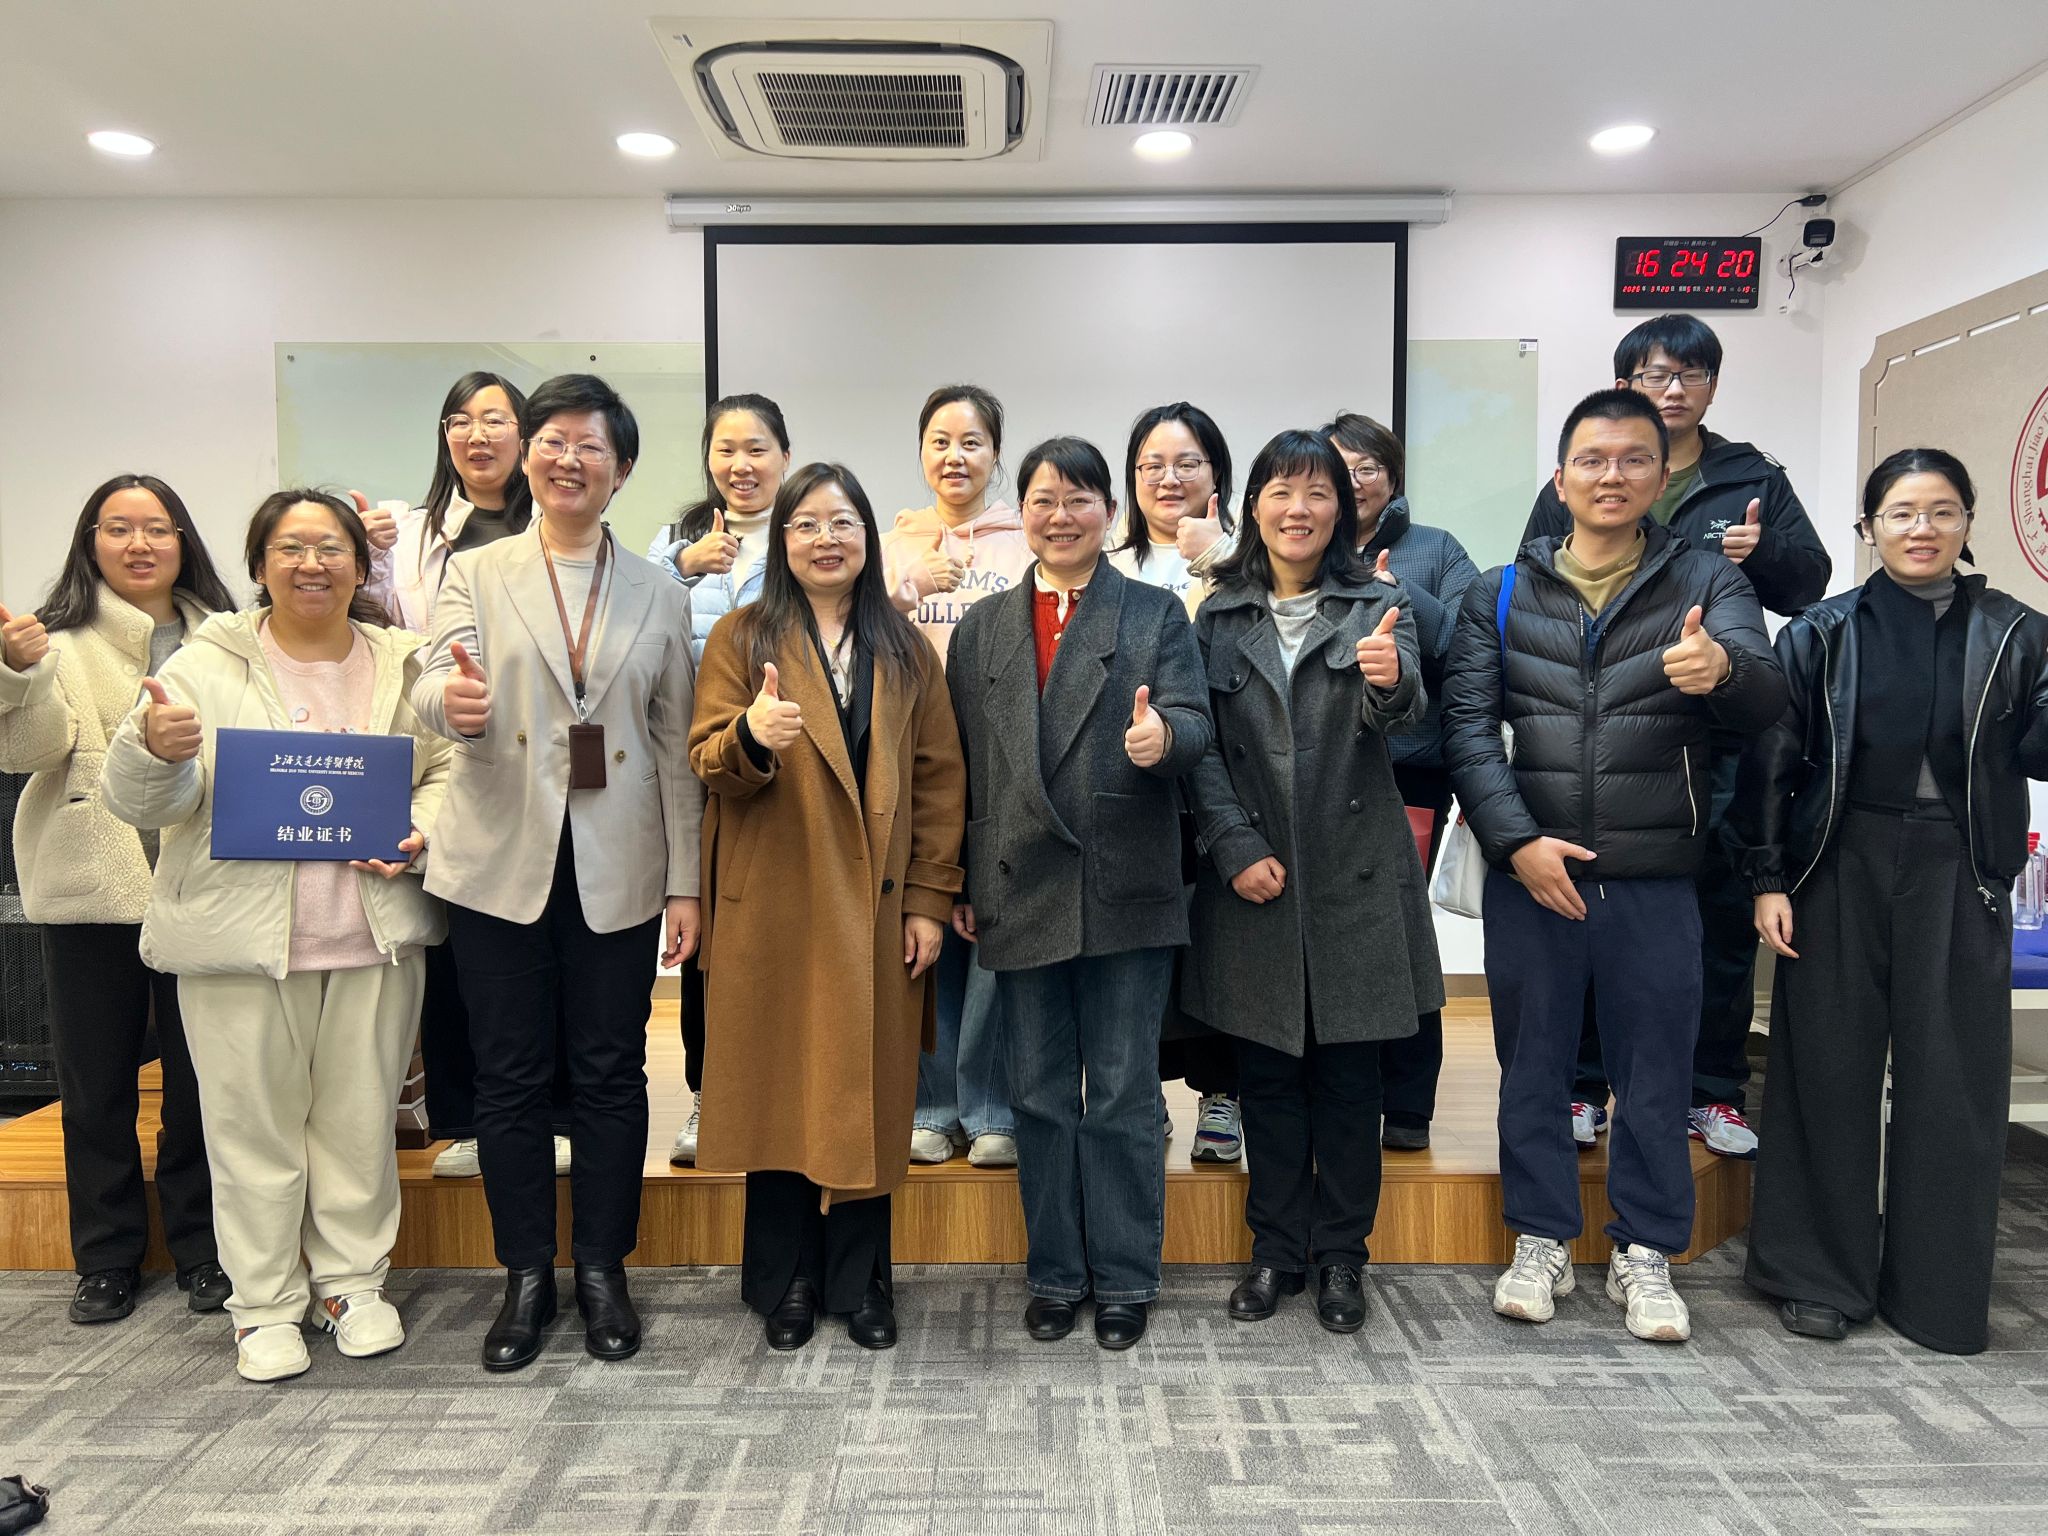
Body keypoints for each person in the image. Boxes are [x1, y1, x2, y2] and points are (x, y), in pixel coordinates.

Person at [1443, 388, 1785, 1344]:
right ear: (1561, 478)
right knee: (1533, 1070)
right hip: (1533, 875)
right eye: (1592, 459)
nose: (1612, 475)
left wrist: (1723, 671)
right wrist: (1518, 843)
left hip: (1657, 875)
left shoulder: (1707, 581)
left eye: (1634, 459)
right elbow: (1468, 732)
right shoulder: (1499, 592)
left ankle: (1647, 1251)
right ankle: (1540, 1238)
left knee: (1656, 1073)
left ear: (1660, 476)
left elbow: (1767, 700)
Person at [99, 489, 449, 1383]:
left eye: (330, 547)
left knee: (358, 1127)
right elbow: (141, 803)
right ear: (258, 564)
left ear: (360, 565)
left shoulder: (406, 664)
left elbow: (448, 771)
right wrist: (156, 750)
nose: (311, 564)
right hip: (240, 944)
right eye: (289, 548)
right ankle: (263, 1305)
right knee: (250, 1132)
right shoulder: (203, 665)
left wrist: (423, 827)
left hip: (372, 937)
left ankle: (351, 1286)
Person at [414, 373, 703, 1372]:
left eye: (589, 445)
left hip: (619, 860)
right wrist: (446, 705)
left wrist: (686, 883)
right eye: (552, 441)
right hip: (500, 856)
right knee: (509, 1075)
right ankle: (526, 1275)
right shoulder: (476, 572)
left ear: (620, 469)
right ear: (528, 458)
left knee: (612, 1072)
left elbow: (674, 749)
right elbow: (432, 678)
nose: (567, 458)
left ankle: (603, 1269)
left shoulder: (662, 591)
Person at [1733, 448, 2048, 1354]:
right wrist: (1767, 878)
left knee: (1955, 1082)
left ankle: (1937, 1292)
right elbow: (1772, 763)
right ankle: (1817, 1276)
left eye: (1942, 511)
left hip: (1962, 869)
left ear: (1967, 523)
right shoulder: (1823, 632)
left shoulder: (2017, 632)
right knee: (1826, 1069)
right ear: (1870, 528)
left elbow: (2038, 752)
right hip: (1840, 862)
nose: (1922, 529)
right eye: (1902, 513)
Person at [1521, 316, 1831, 1160]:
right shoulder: (1575, 478)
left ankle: (1711, 1090)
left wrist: (1760, 555)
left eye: (1691, 374)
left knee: (1715, 921)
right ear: (1623, 383)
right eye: (1655, 373)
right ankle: (1585, 1085)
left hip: (1713, 735)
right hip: (1603, 734)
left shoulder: (1752, 476)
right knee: (1590, 912)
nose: (1673, 388)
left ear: (1712, 388)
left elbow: (1808, 584)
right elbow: (1536, 586)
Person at [691, 462, 966, 1351]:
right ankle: (787, 1280)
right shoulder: (741, 636)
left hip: (879, 909)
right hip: (775, 903)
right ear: (783, 541)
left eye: (843, 522)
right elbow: (706, 759)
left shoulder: (905, 647)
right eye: (806, 523)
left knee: (870, 1096)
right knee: (780, 1093)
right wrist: (750, 736)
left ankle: (863, 1279)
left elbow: (939, 780)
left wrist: (928, 898)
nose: (825, 539)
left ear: (868, 537)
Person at [946, 435, 1213, 1351]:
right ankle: (1057, 1273)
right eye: (1043, 500)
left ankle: (1128, 1277)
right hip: (1018, 880)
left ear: (1109, 511)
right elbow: (965, 768)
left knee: (1126, 1092)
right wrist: (964, 876)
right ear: (1021, 513)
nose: (1060, 517)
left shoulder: (1154, 613)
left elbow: (1195, 724)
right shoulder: (983, 628)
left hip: (1124, 879)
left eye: (1079, 499)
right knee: (1039, 1093)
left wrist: (1164, 739)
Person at [1182, 429, 1440, 1333]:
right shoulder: (1217, 616)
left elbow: (1404, 712)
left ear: (1343, 509)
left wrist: (1392, 680)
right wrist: (1230, 843)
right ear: (1253, 505)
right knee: (1268, 1079)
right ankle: (1274, 1252)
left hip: (1353, 878)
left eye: (1319, 492)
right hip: (1257, 877)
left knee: (1350, 1085)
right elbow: (1200, 747)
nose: (1300, 509)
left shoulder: (1381, 604)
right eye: (1282, 491)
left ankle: (1341, 1258)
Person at [0, 475, 235, 1325]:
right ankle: (104, 1259)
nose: (140, 544)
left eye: (158, 528)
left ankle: (204, 1247)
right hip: (93, 891)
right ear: (90, 542)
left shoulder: (227, 637)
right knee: (94, 1085)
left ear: (184, 541)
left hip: (204, 886)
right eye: (118, 528)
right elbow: (30, 754)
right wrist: (20, 674)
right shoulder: (55, 639)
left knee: (201, 1083)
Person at [364, 371, 570, 1183]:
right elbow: (378, 632)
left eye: (494, 419)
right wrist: (364, 555)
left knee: (552, 943)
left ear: (527, 436)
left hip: (547, 767)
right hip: (443, 755)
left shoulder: (561, 526)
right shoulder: (410, 535)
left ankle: (555, 1114)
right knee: (456, 946)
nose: (476, 435)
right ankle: (469, 1121)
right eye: (459, 420)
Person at [879, 384, 1030, 1169]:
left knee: (997, 930)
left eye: (972, 442)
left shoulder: (1025, 543)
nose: (955, 456)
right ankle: (932, 1107)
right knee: (925, 925)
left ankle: (993, 1106)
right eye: (940, 441)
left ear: (996, 454)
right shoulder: (889, 545)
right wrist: (903, 594)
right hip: (913, 767)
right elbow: (852, 644)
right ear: (920, 451)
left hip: (1002, 763)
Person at [1323, 412, 1479, 1153]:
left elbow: (1474, 641)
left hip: (1408, 769)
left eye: (1368, 467)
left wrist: (1397, 592)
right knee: (1332, 933)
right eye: (1341, 467)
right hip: (1320, 771)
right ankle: (1341, 1092)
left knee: (1398, 932)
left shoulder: (1435, 548)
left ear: (1393, 476)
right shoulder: (1304, 542)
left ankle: (1409, 1103)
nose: (1355, 481)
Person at [647, 392, 791, 1167]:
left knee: (783, 937)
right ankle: (709, 1097)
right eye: (726, 449)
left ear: (785, 458)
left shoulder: (804, 536)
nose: (741, 464)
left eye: (757, 448)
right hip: (699, 767)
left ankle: (786, 1092)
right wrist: (680, 568)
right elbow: (631, 629)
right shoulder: (672, 543)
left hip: (787, 769)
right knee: (708, 943)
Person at [1111, 402, 1243, 1164]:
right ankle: (1145, 1096)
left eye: (1187, 462)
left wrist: (1219, 557)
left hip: (1226, 784)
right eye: (1152, 465)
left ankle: (1223, 1095)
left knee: (1218, 946)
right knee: (1139, 950)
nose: (1169, 478)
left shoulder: (1249, 555)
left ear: (1215, 472)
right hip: (1134, 786)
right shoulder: (1110, 562)